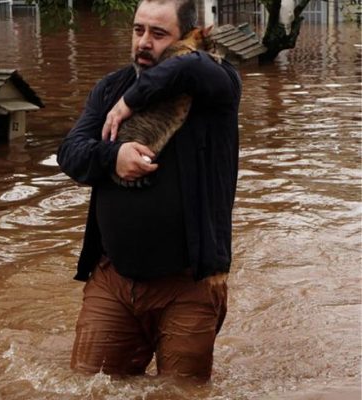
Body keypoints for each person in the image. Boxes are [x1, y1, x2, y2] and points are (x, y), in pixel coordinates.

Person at [56, 0, 241, 382]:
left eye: (158, 34)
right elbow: (70, 153)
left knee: (181, 393)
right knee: (86, 386)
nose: (143, 42)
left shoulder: (216, 88)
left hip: (189, 285)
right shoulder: (110, 88)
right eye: (138, 30)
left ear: (187, 39)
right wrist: (114, 156)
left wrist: (131, 102)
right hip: (113, 279)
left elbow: (191, 65)